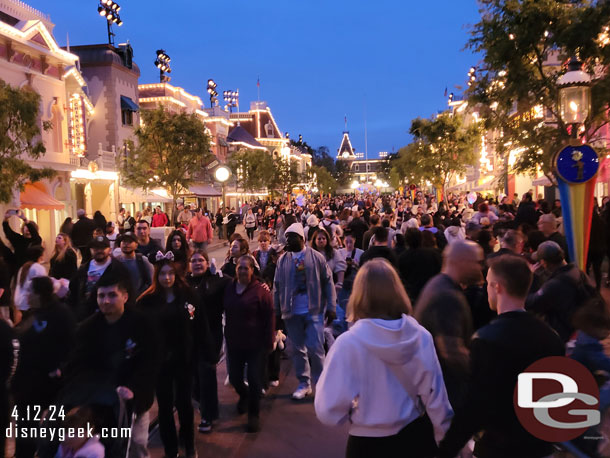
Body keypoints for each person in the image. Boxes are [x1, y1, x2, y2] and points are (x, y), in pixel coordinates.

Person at [315, 259, 453, 458]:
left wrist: (353, 410)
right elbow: (437, 398)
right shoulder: (420, 336)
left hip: (366, 443)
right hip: (413, 437)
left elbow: (328, 410)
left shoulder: (348, 344)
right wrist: (446, 441)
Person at [437, 255, 564, 458]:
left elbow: (474, 406)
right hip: (539, 446)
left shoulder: (486, 340)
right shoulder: (552, 338)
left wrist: (447, 450)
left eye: (487, 283)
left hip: (499, 448)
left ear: (497, 287)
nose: (486, 289)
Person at [63, 272, 158, 458]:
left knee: (137, 444)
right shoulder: (87, 328)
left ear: (125, 296)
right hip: (100, 401)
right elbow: (78, 363)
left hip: (133, 400)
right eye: (101, 295)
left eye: (112, 295)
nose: (106, 301)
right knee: (105, 447)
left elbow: (151, 361)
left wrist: (134, 388)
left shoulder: (142, 324)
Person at [136, 258, 201, 458]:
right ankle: (170, 449)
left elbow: (199, 324)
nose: (167, 278)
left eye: (170, 274)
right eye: (163, 274)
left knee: (184, 404)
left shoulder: (188, 295)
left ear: (176, 275)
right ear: (157, 276)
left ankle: (189, 444)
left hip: (184, 360)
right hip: (160, 362)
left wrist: (202, 352)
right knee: (164, 408)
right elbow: (141, 330)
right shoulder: (147, 300)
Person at [12, 276, 76, 458]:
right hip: (27, 387)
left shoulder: (61, 314)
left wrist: (60, 370)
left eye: (30, 291)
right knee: (25, 432)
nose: (27, 295)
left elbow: (73, 346)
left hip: (49, 386)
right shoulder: (34, 314)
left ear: (40, 294)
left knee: (50, 434)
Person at [415, 240, 483, 411]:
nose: (480, 268)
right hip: (445, 395)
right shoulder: (448, 296)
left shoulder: (437, 285)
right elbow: (451, 351)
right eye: (477, 262)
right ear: (462, 262)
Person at [273, 223, 336, 400]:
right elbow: (276, 287)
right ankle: (304, 384)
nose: (288, 241)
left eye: (291, 237)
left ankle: (322, 385)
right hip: (291, 312)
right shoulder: (283, 260)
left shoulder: (316, 258)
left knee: (315, 348)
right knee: (298, 349)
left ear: (301, 239)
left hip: (313, 310)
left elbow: (328, 281)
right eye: (286, 238)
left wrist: (331, 307)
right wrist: (277, 310)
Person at [224, 256, 274, 433]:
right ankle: (244, 396)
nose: (243, 271)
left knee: (254, 379)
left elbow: (269, 317)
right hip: (235, 342)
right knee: (235, 378)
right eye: (240, 268)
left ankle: (254, 415)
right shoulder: (229, 287)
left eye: (246, 268)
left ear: (252, 270)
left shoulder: (261, 291)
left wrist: (269, 342)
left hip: (256, 344)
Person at [187, 250, 230, 433]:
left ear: (207, 263)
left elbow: (233, 282)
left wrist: (221, 274)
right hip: (188, 336)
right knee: (193, 377)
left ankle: (208, 415)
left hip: (210, 334)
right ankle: (200, 402)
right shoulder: (185, 284)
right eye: (194, 260)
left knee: (206, 375)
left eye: (201, 260)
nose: (197, 263)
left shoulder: (216, 280)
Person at [526, 240, 592, 342]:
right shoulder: (577, 272)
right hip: (580, 329)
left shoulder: (555, 284)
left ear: (543, 262)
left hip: (564, 335)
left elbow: (532, 303)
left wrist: (533, 278)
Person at [67, 235, 129, 322]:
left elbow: (128, 292)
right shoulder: (83, 269)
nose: (99, 251)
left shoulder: (118, 268)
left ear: (109, 249)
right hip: (85, 316)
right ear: (91, 250)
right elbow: (73, 291)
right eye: (96, 248)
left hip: (110, 316)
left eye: (103, 248)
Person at [398, 228, 442, 304]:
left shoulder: (402, 258)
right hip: (430, 293)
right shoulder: (433, 254)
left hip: (411, 296)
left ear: (406, 241)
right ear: (421, 239)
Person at [115, 233, 154, 297]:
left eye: (130, 242)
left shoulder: (143, 261)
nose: (126, 244)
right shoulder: (116, 261)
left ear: (136, 245)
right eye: (124, 241)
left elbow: (152, 283)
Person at [14, 245, 46, 320]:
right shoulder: (38, 268)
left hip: (21, 302)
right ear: (40, 256)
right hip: (31, 303)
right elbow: (43, 285)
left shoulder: (23, 267)